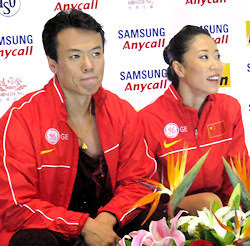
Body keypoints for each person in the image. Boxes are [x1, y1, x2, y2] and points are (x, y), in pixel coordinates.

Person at [0, 9, 157, 246]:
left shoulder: (121, 111)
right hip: (53, 231)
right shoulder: (22, 118)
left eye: (96, 53)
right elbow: (14, 204)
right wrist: (82, 226)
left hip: (106, 226)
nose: (89, 65)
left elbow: (140, 182)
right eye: (75, 56)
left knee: (159, 218)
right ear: (52, 63)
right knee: (35, 241)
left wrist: (109, 217)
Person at [139, 25, 249, 214]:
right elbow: (144, 190)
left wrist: (234, 219)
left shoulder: (229, 108)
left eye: (217, 56)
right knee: (209, 201)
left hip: (223, 217)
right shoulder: (148, 119)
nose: (216, 65)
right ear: (179, 68)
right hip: (170, 221)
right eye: (204, 57)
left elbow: (239, 174)